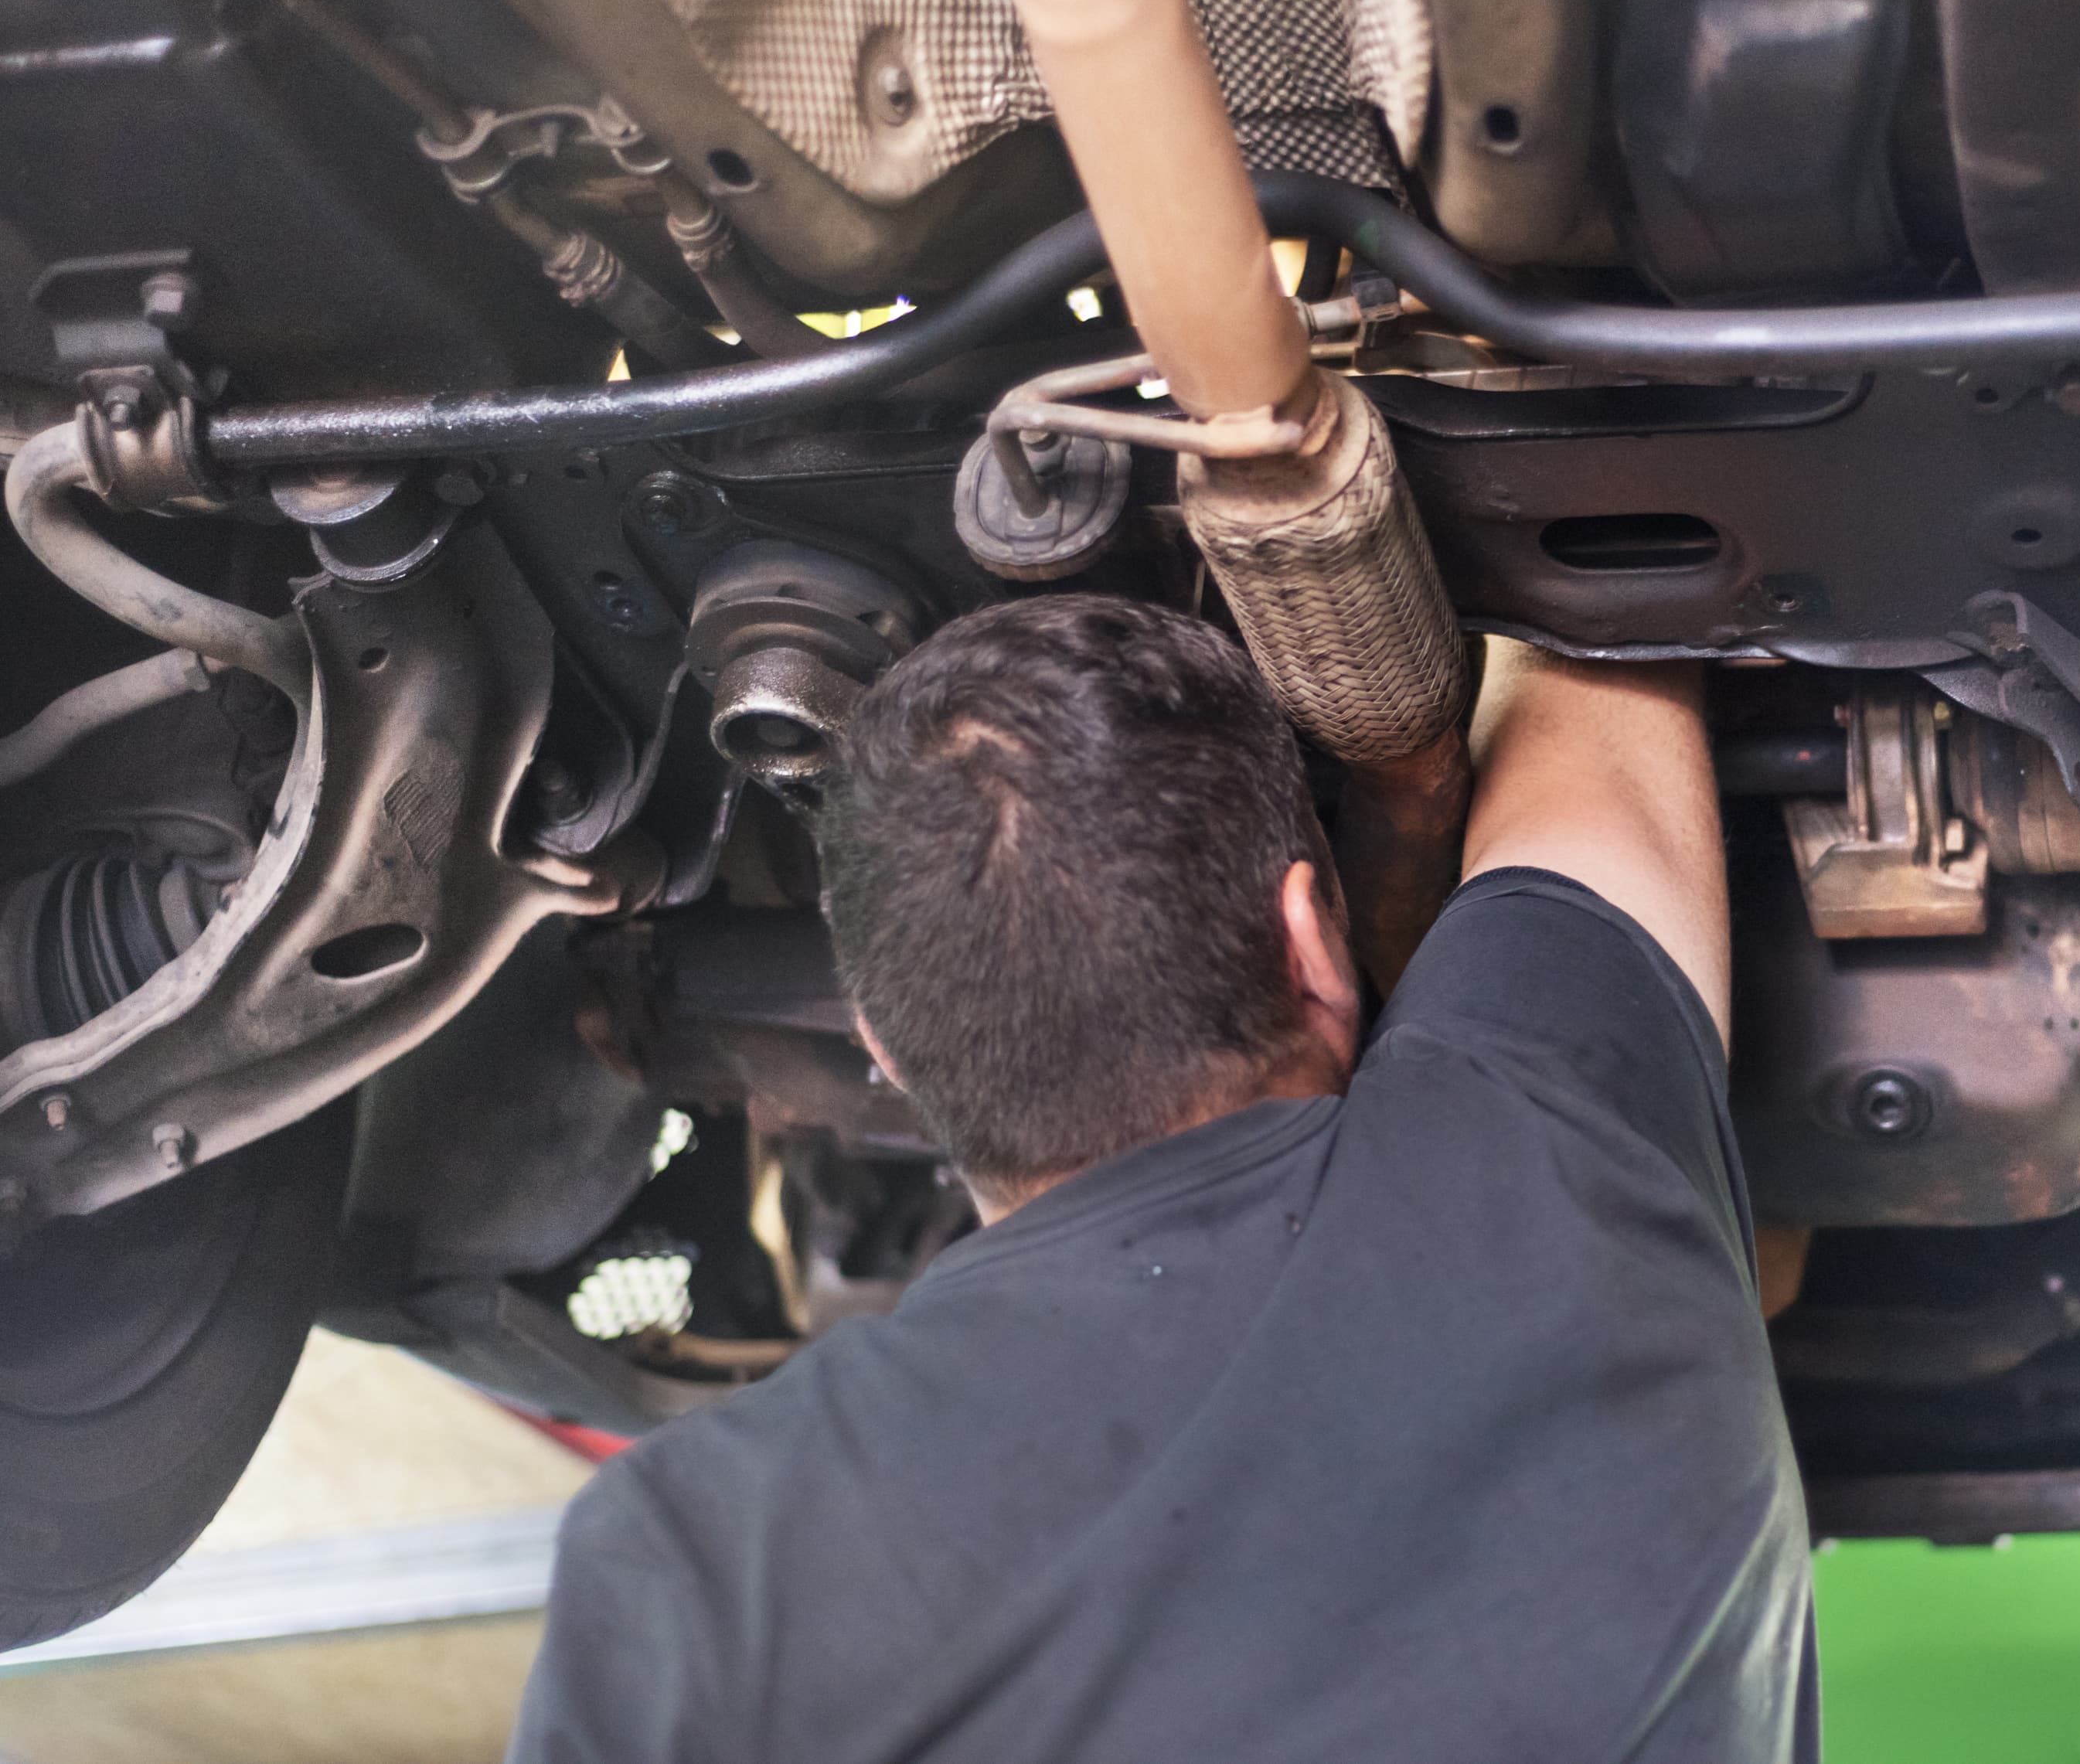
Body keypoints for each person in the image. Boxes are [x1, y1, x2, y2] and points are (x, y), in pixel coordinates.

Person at [509, 595, 1815, 1762]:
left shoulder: (694, 1563)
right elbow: (1597, 671)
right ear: (1314, 940)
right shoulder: (1560, 1158)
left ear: (884, 1048)